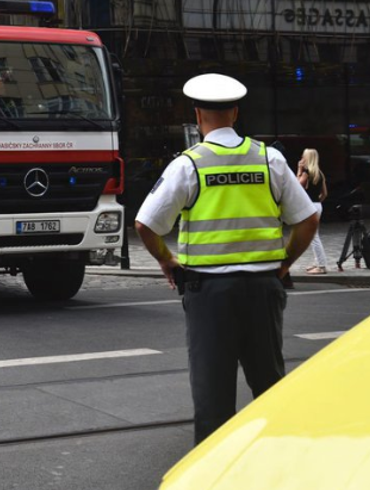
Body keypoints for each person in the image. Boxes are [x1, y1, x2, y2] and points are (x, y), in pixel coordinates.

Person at [134, 73, 319, 446]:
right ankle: (276, 465)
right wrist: (284, 262)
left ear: (198, 115)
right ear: (235, 113)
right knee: (270, 388)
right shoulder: (271, 160)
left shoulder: (188, 165)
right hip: (265, 289)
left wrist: (167, 260)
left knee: (213, 395)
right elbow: (308, 219)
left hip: (209, 293)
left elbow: (145, 224)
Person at [298, 148, 330, 274]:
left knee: (313, 237)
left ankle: (321, 266)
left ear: (307, 158)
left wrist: (299, 171)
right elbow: (324, 193)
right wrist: (317, 203)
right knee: (313, 236)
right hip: (317, 205)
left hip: (309, 205)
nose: (301, 159)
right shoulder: (319, 174)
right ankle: (318, 263)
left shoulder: (306, 172)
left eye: (303, 156)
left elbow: (297, 187)